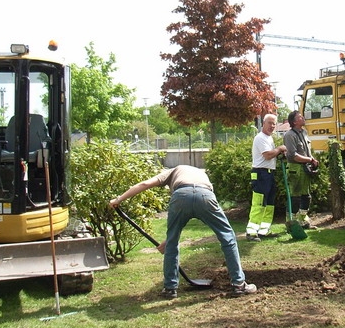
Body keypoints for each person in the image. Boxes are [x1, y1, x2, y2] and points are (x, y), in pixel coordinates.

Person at [109, 165, 257, 299]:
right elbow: (198, 198)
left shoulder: (172, 171)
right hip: (205, 195)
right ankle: (238, 284)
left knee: (173, 242)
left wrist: (119, 199)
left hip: (180, 196)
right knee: (228, 237)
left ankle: (170, 288)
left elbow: (145, 184)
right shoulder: (201, 173)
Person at [246, 113, 287, 242]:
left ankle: (263, 230)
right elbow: (268, 155)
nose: (272, 126)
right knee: (259, 203)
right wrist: (280, 148)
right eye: (270, 123)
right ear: (263, 123)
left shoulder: (269, 138)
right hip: (260, 174)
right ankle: (251, 232)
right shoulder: (260, 138)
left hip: (269, 173)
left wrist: (280, 152)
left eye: (274, 123)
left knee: (269, 203)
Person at [283, 110, 318, 229]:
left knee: (306, 196)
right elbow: (293, 155)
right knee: (295, 197)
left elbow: (307, 151)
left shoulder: (304, 132)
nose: (303, 118)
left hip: (304, 168)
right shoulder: (289, 135)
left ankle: (303, 221)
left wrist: (312, 159)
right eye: (299, 117)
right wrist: (309, 160)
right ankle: (291, 223)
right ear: (294, 121)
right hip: (295, 169)